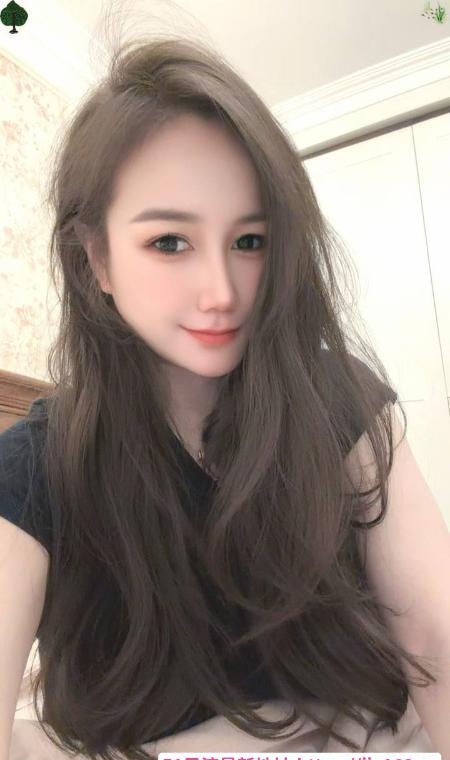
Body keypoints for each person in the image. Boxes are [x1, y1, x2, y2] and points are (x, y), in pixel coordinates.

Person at [1, 30, 445, 760]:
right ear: (96, 259)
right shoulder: (33, 467)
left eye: (250, 241)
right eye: (169, 242)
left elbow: (435, 632)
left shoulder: (341, 403)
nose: (222, 291)